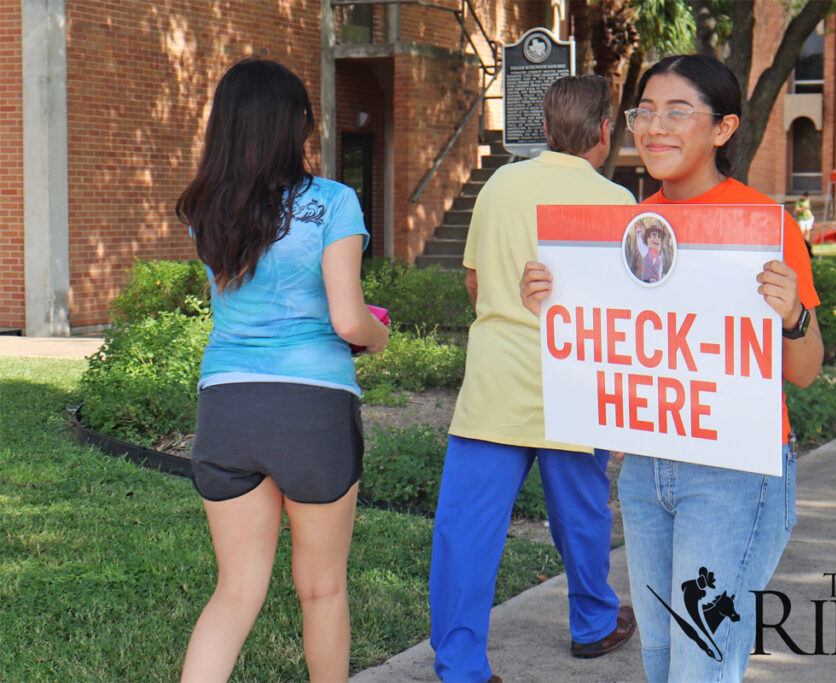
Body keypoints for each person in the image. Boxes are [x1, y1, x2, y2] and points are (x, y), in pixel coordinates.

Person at [520, 54, 823, 682]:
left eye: (678, 112)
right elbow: (606, 349)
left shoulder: (761, 227)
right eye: (645, 111)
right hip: (646, 470)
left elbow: (805, 370)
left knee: (700, 665)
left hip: (735, 475)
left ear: (723, 128)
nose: (655, 127)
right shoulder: (622, 230)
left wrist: (792, 314)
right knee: (661, 659)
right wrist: (550, 303)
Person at [177, 58, 389, 683]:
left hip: (226, 405)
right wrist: (378, 337)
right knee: (321, 590)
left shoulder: (207, 208)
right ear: (293, 125)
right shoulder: (334, 202)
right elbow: (349, 321)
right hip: (311, 408)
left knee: (235, 594)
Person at [429, 75, 638, 683]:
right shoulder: (618, 203)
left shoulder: (498, 185)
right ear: (605, 132)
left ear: (544, 129)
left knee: (466, 530)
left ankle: (461, 665)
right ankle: (595, 624)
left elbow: (474, 282)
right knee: (582, 514)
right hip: (577, 384)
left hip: (498, 379)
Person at [794, 191, 814, 255]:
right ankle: (801, 243)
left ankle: (806, 244)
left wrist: (811, 216)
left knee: (807, 231)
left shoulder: (808, 201)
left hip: (808, 218)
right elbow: (796, 210)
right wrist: (803, 208)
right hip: (801, 218)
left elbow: (808, 209)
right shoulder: (799, 201)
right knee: (801, 232)